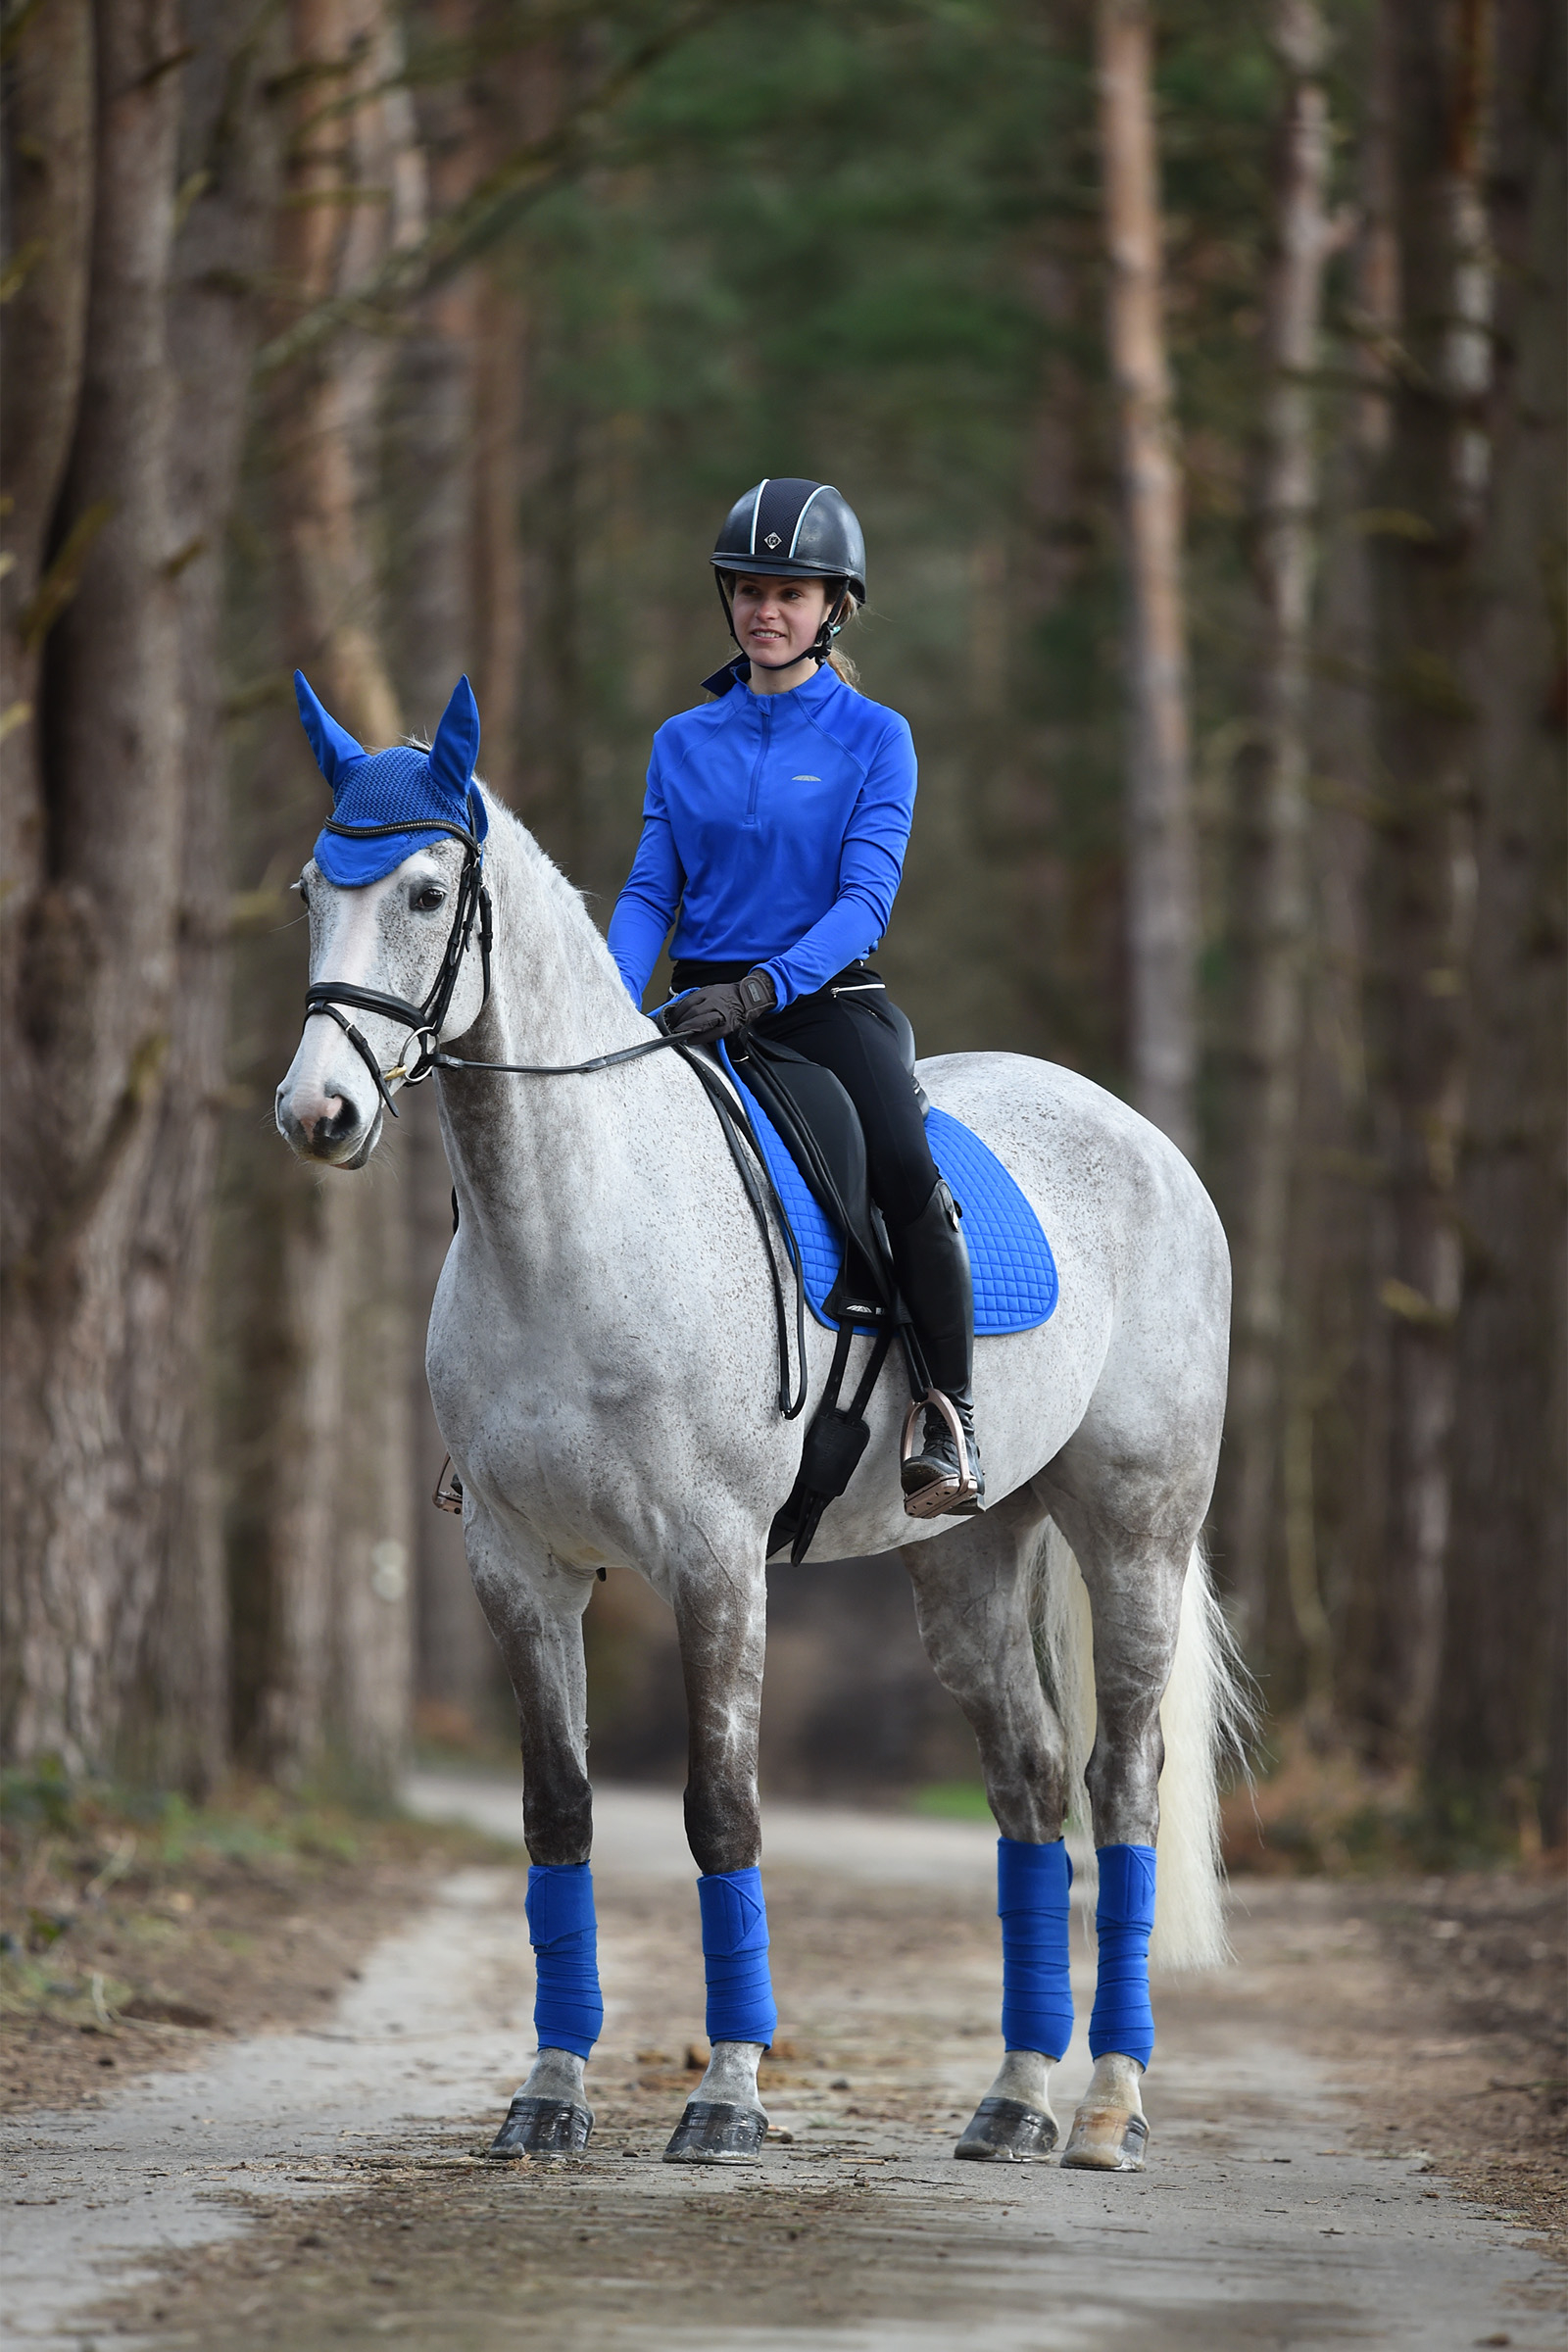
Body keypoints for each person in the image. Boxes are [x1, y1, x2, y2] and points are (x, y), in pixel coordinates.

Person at [607, 478, 983, 1515]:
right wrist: (608, 1000)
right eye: (749, 591)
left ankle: (947, 1412)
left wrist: (764, 987)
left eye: (791, 592)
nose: (765, 610)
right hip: (692, 1008)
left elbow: (864, 902)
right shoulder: (683, 741)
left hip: (824, 1003)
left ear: (833, 608)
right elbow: (649, 892)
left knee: (903, 1166)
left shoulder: (876, 738)